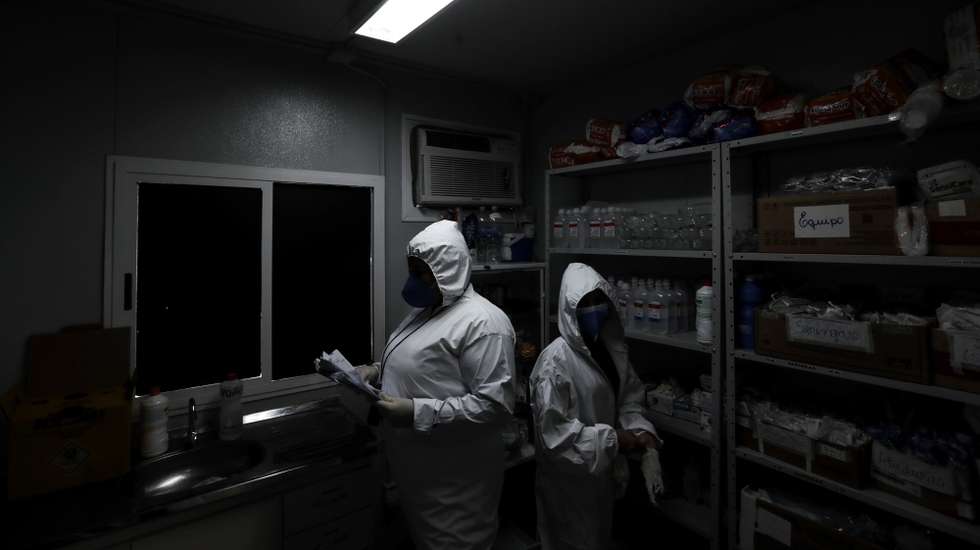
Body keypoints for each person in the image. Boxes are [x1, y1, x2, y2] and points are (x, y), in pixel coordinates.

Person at [357, 219, 517, 550]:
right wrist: (377, 369)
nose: (412, 280)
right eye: (411, 269)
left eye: (420, 272)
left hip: (457, 487)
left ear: (447, 269)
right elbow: (422, 358)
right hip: (420, 475)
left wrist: (417, 412)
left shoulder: (483, 323)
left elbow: (494, 406)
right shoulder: (429, 309)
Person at [531, 262, 660, 550]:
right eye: (585, 304)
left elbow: (629, 398)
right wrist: (617, 440)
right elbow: (556, 440)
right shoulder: (555, 363)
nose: (594, 309)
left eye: (599, 301)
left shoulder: (611, 348)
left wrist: (641, 431)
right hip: (568, 487)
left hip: (603, 476)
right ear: (569, 310)